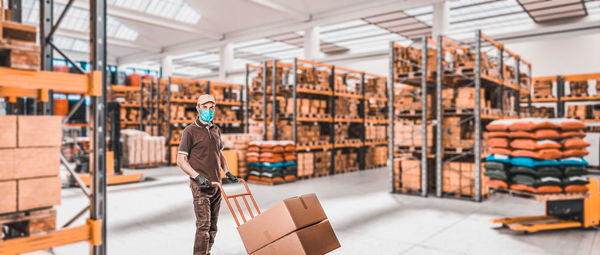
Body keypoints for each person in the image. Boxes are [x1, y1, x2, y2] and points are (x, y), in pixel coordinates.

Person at [176, 94, 239, 255]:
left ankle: (207, 252)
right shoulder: (189, 131)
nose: (208, 111)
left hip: (217, 184)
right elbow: (181, 160)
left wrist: (228, 171)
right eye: (205, 107)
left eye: (211, 108)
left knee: (213, 226)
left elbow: (220, 154)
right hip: (200, 186)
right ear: (198, 108)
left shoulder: (216, 129)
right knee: (203, 226)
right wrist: (196, 176)